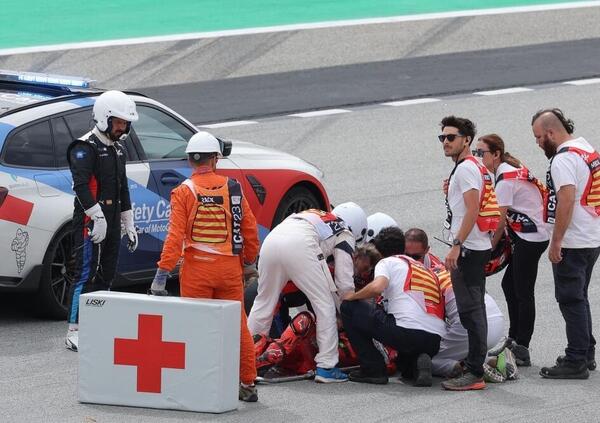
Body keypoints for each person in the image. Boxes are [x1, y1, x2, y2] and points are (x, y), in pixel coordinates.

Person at [148, 131, 260, 402]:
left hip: (197, 271)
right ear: (215, 160)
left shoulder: (183, 192)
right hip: (229, 271)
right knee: (238, 327)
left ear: (190, 161)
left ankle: (199, 384)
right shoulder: (233, 188)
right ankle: (248, 383)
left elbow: (175, 237)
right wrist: (248, 263)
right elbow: (250, 231)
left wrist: (162, 274)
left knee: (195, 328)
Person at [247, 202, 368, 383]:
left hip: (271, 241)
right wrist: (351, 306)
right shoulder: (344, 232)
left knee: (264, 302)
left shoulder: (314, 215)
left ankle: (248, 360)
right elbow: (344, 284)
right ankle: (327, 367)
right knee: (324, 304)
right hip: (301, 245)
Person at [65, 91, 139, 352]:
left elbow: (123, 188)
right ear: (103, 118)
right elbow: (80, 186)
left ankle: (98, 324)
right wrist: (97, 217)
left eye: (125, 123)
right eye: (118, 122)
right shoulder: (84, 147)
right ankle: (74, 329)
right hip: (89, 220)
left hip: (112, 219)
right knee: (85, 274)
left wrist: (128, 221)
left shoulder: (118, 149)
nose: (122, 128)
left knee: (107, 274)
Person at [532, 109, 600, 379]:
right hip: (592, 235)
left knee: (570, 299)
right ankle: (586, 351)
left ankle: (575, 360)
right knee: (579, 297)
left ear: (551, 132)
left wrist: (556, 241)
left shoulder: (563, 159)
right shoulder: (587, 149)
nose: (537, 143)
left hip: (574, 240)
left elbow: (567, 200)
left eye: (538, 137)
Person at [474, 134, 549, 366]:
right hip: (529, 232)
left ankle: (522, 346)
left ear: (495, 154)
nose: (477, 157)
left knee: (523, 291)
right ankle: (514, 338)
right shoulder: (506, 167)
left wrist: (488, 249)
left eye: (481, 153)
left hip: (531, 237)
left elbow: (498, 221)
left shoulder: (505, 178)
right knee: (510, 285)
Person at [254, 244, 383, 378]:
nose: (362, 273)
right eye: (362, 268)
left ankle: (270, 358)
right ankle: (264, 358)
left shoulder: (375, 286)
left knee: (309, 322)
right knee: (305, 320)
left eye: (367, 270)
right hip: (311, 332)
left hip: (347, 342)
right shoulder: (329, 270)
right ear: (354, 257)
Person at [439, 115, 500, 390]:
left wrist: (456, 245)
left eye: (451, 137)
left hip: (470, 249)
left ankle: (475, 371)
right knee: (471, 310)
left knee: (472, 311)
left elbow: (473, 209)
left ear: (466, 139)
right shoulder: (468, 167)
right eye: (442, 138)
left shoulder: (465, 169)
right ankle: (475, 364)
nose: (445, 142)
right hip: (474, 247)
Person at [341, 227, 446, 387]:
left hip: (407, 332)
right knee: (402, 362)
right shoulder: (426, 269)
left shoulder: (387, 262)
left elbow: (377, 287)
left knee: (348, 308)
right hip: (434, 340)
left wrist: (353, 296)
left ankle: (373, 369)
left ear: (379, 251)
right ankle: (416, 363)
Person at [404, 228, 505, 377]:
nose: (412, 260)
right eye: (408, 256)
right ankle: (491, 360)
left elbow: (430, 321)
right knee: (459, 346)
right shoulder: (445, 266)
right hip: (494, 317)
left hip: (474, 324)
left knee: (422, 359)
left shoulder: (420, 278)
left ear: (426, 251)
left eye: (416, 256)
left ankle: (464, 368)